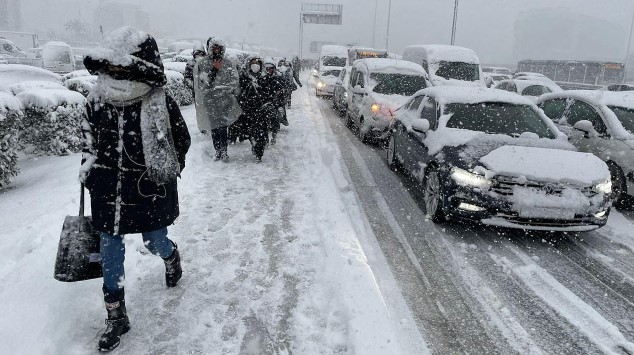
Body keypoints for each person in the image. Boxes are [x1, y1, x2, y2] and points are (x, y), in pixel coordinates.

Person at [80, 26, 191, 352]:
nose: (113, 72)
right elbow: (88, 142)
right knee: (110, 249)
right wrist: (89, 172)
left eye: (120, 66)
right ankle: (116, 315)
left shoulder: (159, 101)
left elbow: (180, 142)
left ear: (138, 67)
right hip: (108, 189)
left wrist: (163, 173)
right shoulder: (97, 99)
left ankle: (171, 256)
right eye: (110, 66)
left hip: (147, 189)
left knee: (153, 240)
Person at [193, 37, 242, 160]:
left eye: (219, 48)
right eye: (214, 48)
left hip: (225, 99)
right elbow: (203, 83)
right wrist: (214, 70)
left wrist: (229, 90)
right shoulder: (203, 63)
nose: (216, 50)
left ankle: (224, 151)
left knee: (223, 126)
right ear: (210, 49)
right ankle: (217, 150)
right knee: (214, 126)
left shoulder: (228, 63)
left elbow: (234, 80)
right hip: (210, 99)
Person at [238, 55, 268, 162]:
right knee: (250, 132)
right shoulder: (244, 77)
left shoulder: (264, 78)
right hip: (248, 110)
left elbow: (268, 93)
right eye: (253, 63)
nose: (255, 65)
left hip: (261, 110)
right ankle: (254, 144)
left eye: (257, 63)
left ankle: (259, 152)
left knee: (261, 133)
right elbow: (240, 93)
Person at [260, 58, 285, 145]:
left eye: (270, 68)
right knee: (264, 124)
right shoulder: (262, 79)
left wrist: (279, 105)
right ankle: (266, 139)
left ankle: (274, 137)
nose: (268, 70)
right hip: (265, 104)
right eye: (267, 68)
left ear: (273, 69)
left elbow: (281, 94)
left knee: (275, 122)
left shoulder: (278, 79)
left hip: (275, 104)